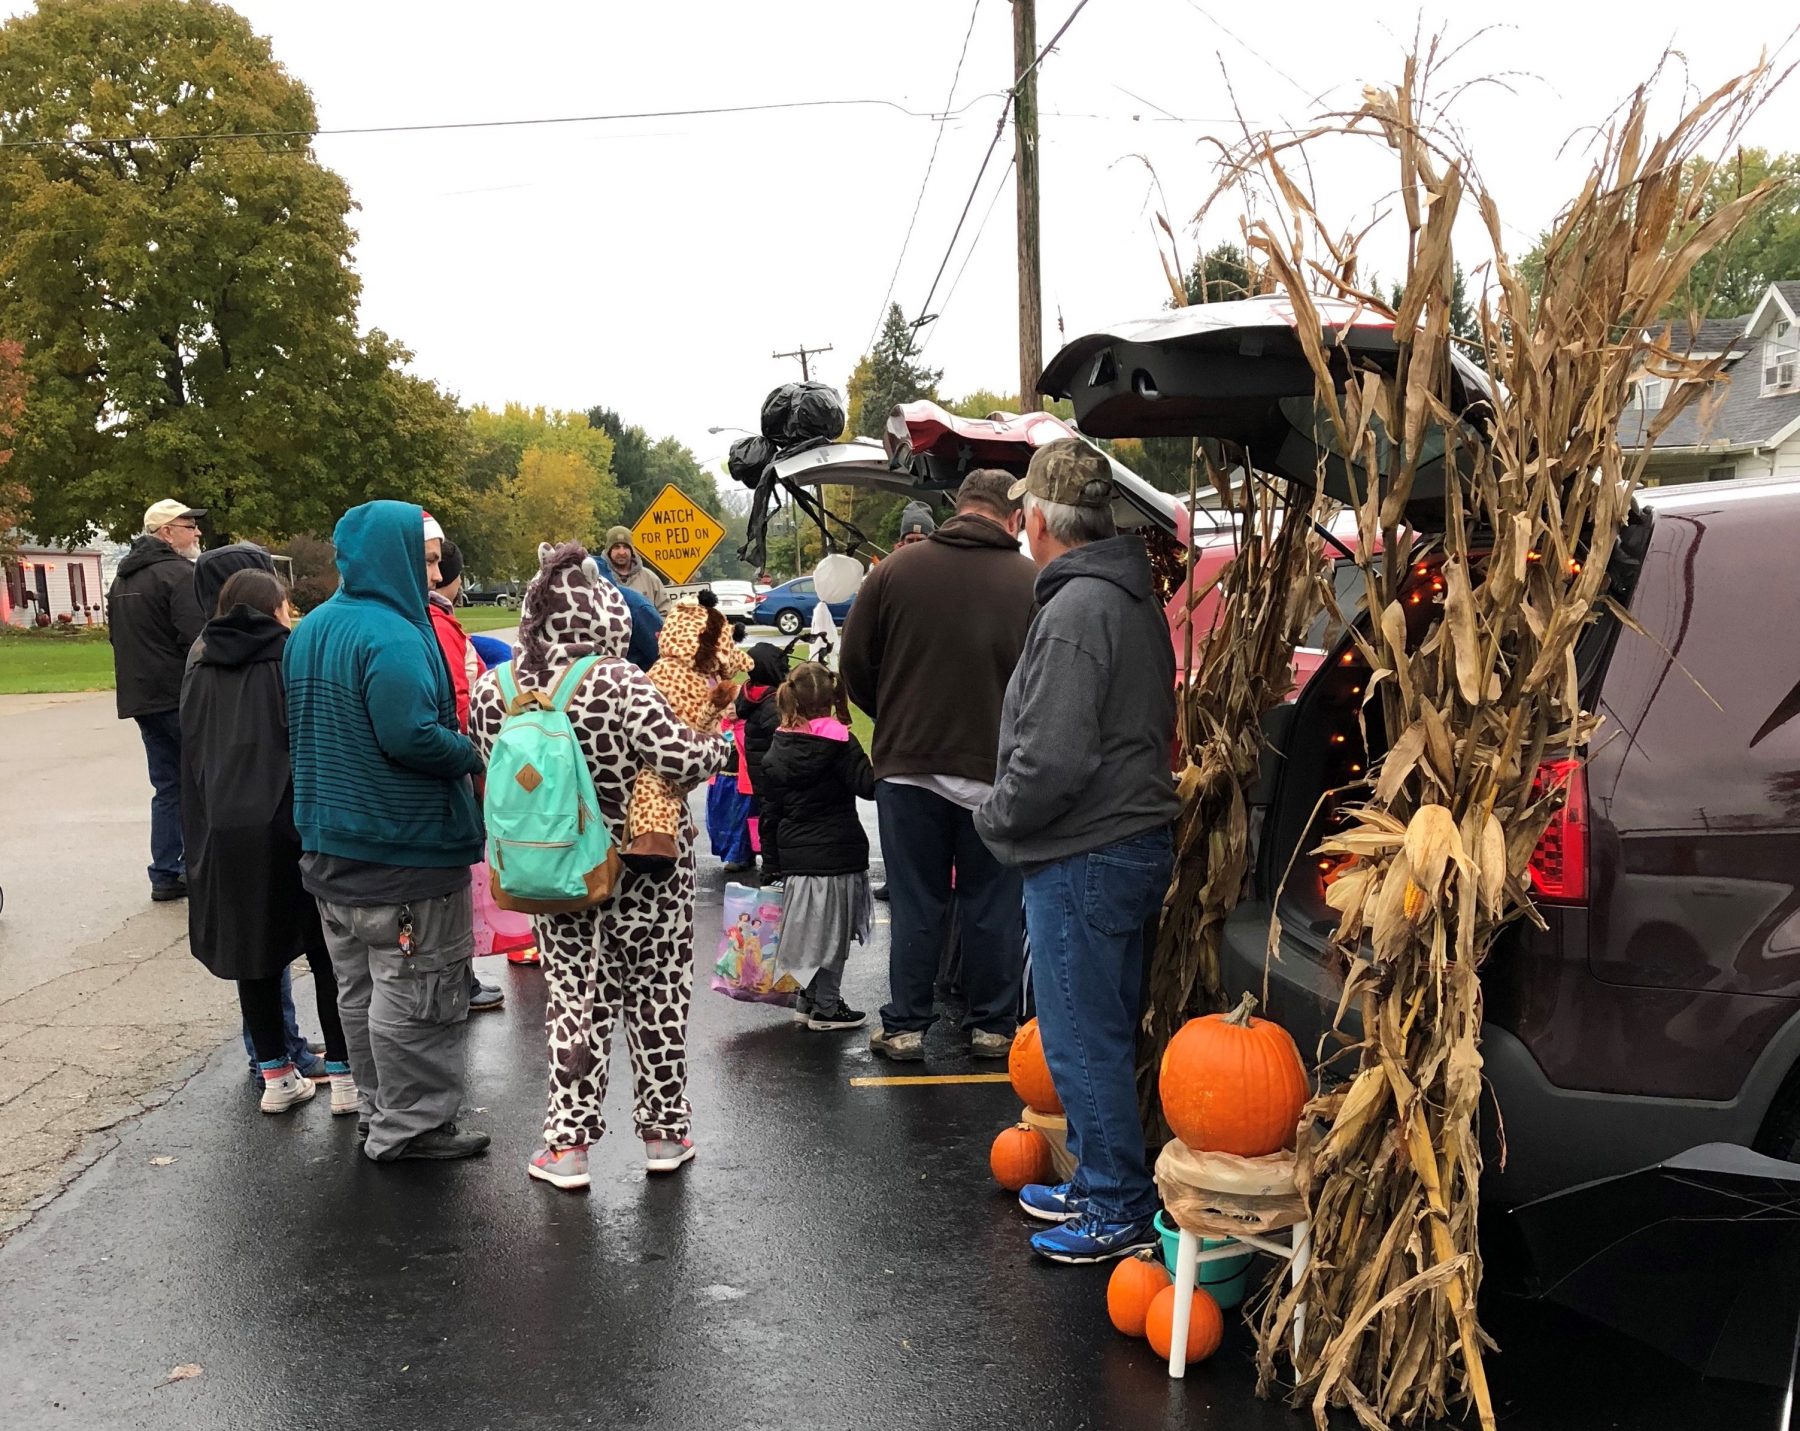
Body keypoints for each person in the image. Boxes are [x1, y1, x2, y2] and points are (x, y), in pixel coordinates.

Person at [468, 543, 733, 1191]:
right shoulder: (618, 681)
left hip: (558, 875)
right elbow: (680, 759)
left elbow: (494, 771)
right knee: (657, 998)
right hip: (647, 874)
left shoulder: (493, 691)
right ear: (602, 614)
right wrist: (720, 732)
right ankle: (665, 1131)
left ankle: (568, 1147)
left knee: (575, 1002)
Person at [974, 439, 1179, 1264]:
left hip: (1085, 848)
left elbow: (1052, 757)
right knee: (1103, 1024)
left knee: (1080, 1035)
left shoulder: (1075, 611)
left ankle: (1113, 1205)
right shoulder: (1125, 597)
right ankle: (1104, 1177)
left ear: (1039, 521)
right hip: (1125, 841)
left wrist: (996, 817)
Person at [284, 500, 490, 1163]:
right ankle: (412, 1126)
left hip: (329, 852)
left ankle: (380, 1112)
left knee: (361, 992)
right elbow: (410, 736)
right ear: (398, 556)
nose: (430, 568)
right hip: (402, 854)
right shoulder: (396, 635)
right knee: (420, 992)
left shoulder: (311, 629)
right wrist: (471, 751)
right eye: (420, 552)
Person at [840, 469, 1037, 1062]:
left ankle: (904, 1025)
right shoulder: (1031, 582)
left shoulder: (894, 572)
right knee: (991, 904)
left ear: (958, 507)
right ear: (1014, 518)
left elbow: (855, 663)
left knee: (916, 900)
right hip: (994, 772)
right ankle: (994, 1026)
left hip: (908, 768)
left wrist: (896, 718)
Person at [181, 566, 356, 1116]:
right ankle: (346, 1076)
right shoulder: (292, 656)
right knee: (329, 954)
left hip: (225, 827)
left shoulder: (200, 663)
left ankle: (276, 1074)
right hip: (294, 816)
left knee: (252, 953)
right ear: (275, 608)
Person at [759, 662, 876, 1030]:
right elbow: (868, 786)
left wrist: (771, 864)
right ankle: (828, 1006)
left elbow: (770, 811)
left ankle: (806, 1001)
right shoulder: (840, 742)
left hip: (796, 857)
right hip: (837, 853)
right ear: (832, 697)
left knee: (807, 935)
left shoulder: (781, 743)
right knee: (834, 936)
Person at [108, 498, 207, 902]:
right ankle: (201, 868)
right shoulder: (178, 574)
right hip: (178, 695)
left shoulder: (122, 579)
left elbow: (117, 638)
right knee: (201, 783)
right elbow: (197, 636)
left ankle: (166, 870)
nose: (196, 532)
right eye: (188, 525)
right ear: (166, 532)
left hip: (141, 697)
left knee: (168, 786)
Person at [425, 528, 507, 1012]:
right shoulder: (438, 623)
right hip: (457, 761)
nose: (437, 578)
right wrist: (474, 761)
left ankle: (458, 976)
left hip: (456, 759)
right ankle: (457, 981)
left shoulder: (436, 621)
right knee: (453, 878)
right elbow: (459, 699)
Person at [734, 641, 789, 880]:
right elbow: (784, 739)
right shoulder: (772, 704)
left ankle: (771, 866)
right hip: (774, 775)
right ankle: (774, 868)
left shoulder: (752, 695)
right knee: (776, 821)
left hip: (761, 775)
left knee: (769, 817)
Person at [603, 525, 670, 614]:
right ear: (608, 550)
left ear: (632, 550)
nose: (621, 552)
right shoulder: (599, 579)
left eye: (626, 547)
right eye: (616, 547)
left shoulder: (650, 578)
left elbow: (666, 612)